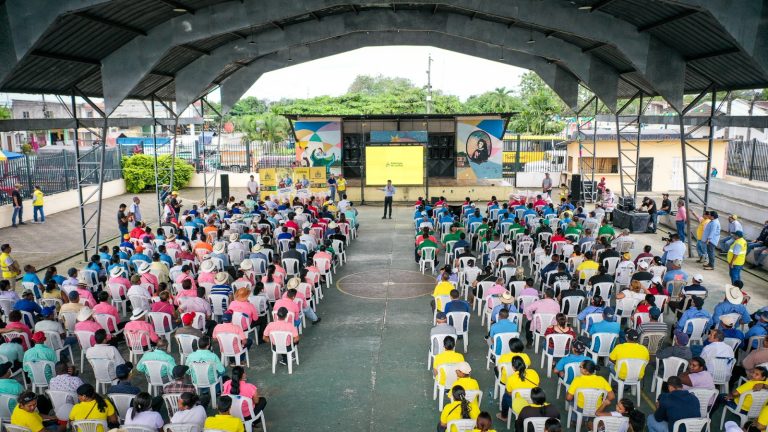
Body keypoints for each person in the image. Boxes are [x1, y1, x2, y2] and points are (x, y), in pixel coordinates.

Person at [499, 356, 540, 421]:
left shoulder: (511, 378)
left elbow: (509, 393)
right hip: (534, 401)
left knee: (506, 395)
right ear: (524, 364)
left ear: (513, 368)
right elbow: (537, 385)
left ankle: (504, 416)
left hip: (520, 405)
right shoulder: (533, 372)